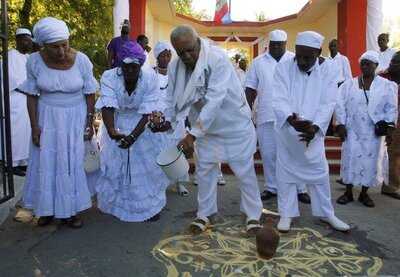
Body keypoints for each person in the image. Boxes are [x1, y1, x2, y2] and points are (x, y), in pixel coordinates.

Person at [153, 25, 263, 235]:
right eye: (180, 52)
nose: (186, 56)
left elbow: (214, 101)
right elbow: (171, 98)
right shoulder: (176, 67)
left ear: (198, 42)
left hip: (233, 125)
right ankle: (205, 213)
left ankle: (253, 214)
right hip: (205, 130)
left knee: (244, 172)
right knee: (205, 173)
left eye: (190, 50)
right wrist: (166, 120)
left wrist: (192, 135)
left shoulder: (217, 59)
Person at [18, 17, 98, 228]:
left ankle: (70, 211)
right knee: (47, 162)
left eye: (65, 44)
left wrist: (89, 123)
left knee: (71, 163)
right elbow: (32, 95)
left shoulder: (81, 61)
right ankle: (47, 209)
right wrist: (35, 126)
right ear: (43, 45)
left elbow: (90, 94)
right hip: (47, 118)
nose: (61, 51)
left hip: (75, 117)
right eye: (55, 47)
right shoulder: (34, 61)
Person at [272, 31, 350, 232]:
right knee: (285, 174)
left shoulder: (330, 69)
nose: (302, 61)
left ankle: (327, 214)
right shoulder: (284, 66)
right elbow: (278, 97)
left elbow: (328, 101)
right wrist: (291, 119)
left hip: (313, 133)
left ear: (319, 52)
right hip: (288, 131)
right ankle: (287, 214)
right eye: (299, 56)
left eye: (308, 57)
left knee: (320, 173)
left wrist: (314, 128)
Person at [95, 41, 169, 222]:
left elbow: (148, 110)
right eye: (125, 67)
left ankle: (148, 208)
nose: (129, 72)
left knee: (145, 168)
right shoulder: (109, 77)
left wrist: (134, 136)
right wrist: (112, 131)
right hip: (117, 122)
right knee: (117, 167)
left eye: (134, 68)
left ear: (141, 66)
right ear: (120, 65)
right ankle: (118, 205)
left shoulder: (150, 78)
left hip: (141, 125)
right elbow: (107, 105)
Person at [245, 30, 310, 203]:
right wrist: (247, 113)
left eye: (279, 45)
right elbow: (250, 89)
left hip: (293, 116)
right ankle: (271, 187)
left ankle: (300, 189)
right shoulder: (258, 62)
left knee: (295, 153)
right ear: (269, 44)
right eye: (273, 45)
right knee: (268, 153)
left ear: (285, 44)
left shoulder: (296, 60)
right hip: (266, 115)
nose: (276, 48)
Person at [335, 51, 398, 207]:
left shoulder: (387, 86)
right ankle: (348, 192)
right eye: (362, 63)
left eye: (368, 63)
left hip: (373, 132)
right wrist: (340, 124)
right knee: (350, 159)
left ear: (376, 66)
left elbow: (392, 107)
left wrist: (389, 126)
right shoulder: (348, 84)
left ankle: (364, 193)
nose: (365, 66)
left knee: (370, 162)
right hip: (352, 130)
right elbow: (339, 105)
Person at [153, 41, 189, 196]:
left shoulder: (177, 74)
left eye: (169, 55)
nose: (167, 58)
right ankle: (158, 184)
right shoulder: (149, 75)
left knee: (176, 149)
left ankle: (180, 183)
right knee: (158, 150)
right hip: (157, 119)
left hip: (175, 118)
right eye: (163, 55)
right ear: (157, 57)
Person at [3, 28, 33, 176]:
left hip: (27, 99)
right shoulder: (9, 56)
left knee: (26, 131)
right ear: (18, 40)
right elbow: (10, 80)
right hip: (15, 99)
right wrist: (28, 90)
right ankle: (11, 164)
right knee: (15, 131)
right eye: (26, 40)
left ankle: (23, 162)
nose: (29, 43)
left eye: (30, 40)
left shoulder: (28, 57)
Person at [379, 52, 400, 199]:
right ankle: (390, 186)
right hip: (390, 121)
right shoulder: (382, 77)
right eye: (392, 62)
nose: (392, 64)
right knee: (394, 152)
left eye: (395, 62)